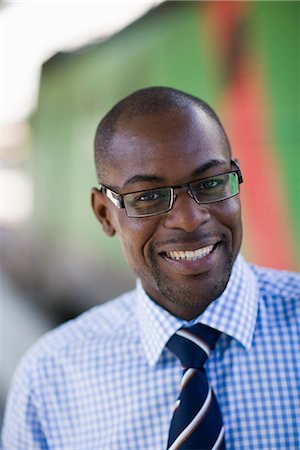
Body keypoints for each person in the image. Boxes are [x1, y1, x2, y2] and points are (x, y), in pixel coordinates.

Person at [1, 87, 300, 450]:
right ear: (104, 214)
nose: (190, 220)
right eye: (148, 197)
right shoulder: (49, 379)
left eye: (210, 183)